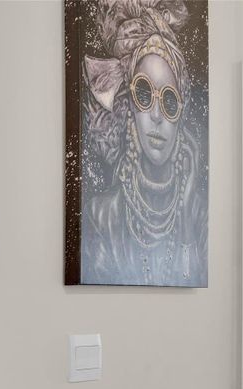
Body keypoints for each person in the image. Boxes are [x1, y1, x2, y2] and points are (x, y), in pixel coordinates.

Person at [81, 0, 207, 286]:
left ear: (180, 116)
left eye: (170, 101)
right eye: (144, 93)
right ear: (130, 106)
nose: (156, 115)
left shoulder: (199, 214)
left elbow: (192, 276)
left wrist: (185, 213)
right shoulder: (102, 215)